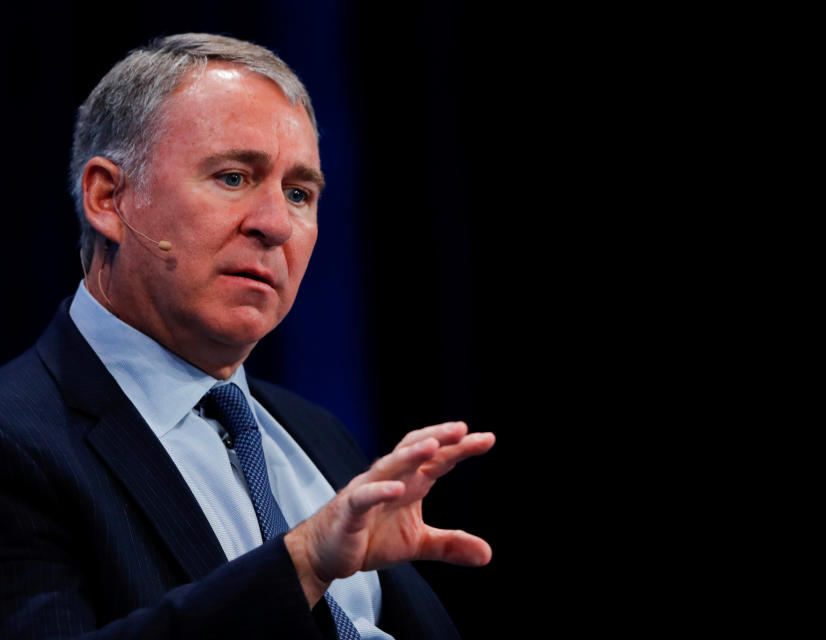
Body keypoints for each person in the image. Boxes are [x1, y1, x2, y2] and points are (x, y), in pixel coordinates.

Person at [0, 33, 494, 639]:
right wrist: (303, 564)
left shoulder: (314, 433)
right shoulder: (15, 438)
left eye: (298, 193)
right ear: (109, 198)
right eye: (233, 177)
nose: (275, 225)